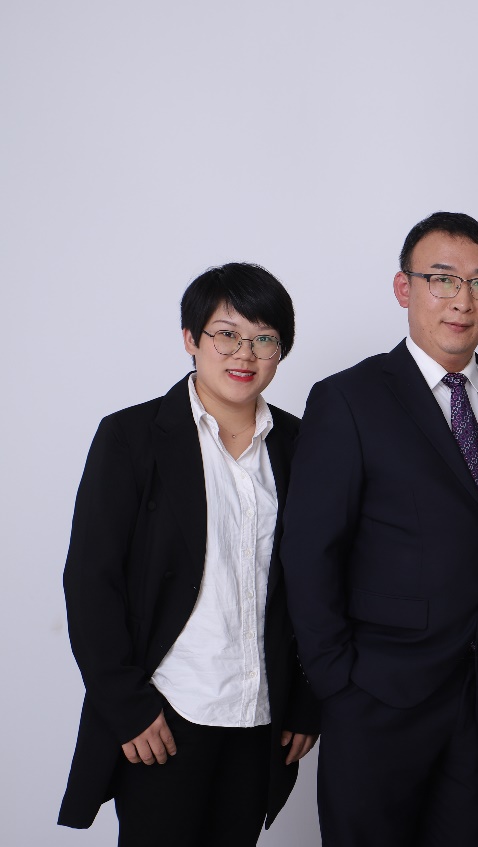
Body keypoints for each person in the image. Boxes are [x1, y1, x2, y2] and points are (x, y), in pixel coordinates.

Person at [282, 212, 478, 847]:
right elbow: (310, 552)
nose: (463, 300)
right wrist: (336, 682)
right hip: (376, 695)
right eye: (442, 279)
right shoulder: (348, 399)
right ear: (404, 288)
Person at [58, 263, 318, 845]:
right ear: (190, 339)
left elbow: (320, 580)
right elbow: (91, 581)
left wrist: (307, 699)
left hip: (262, 717)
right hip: (166, 714)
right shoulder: (130, 438)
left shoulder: (304, 445)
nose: (244, 353)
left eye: (264, 338)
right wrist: (126, 705)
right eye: (226, 334)